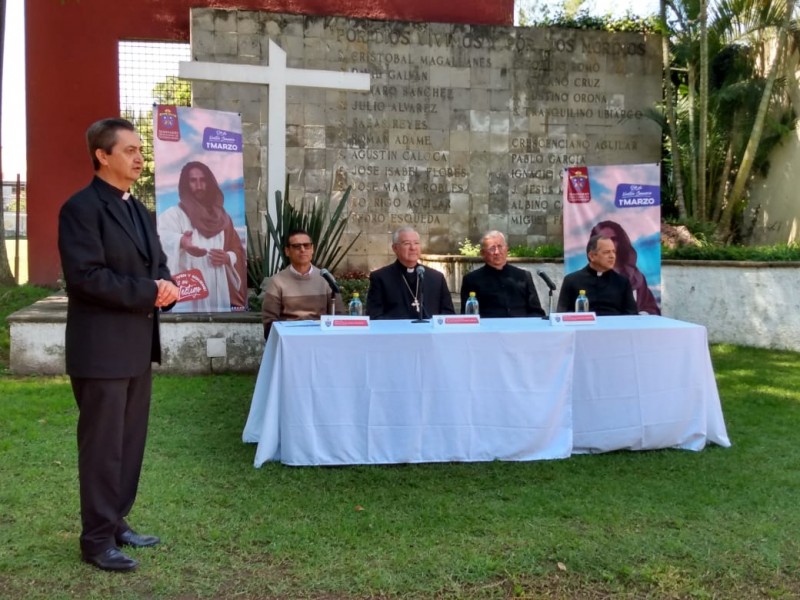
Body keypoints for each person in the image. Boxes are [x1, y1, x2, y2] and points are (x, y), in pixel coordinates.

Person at [58, 118, 180, 572]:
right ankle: (95, 540)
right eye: (129, 149)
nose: (139, 156)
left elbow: (159, 265)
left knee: (129, 443)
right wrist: (149, 290)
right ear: (102, 156)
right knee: (102, 446)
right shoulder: (80, 209)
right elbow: (86, 278)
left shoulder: (140, 209)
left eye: (140, 149)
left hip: (135, 347)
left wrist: (166, 287)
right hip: (100, 350)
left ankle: (115, 523)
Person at [158, 161, 248, 312]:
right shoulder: (173, 215)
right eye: (193, 181)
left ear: (210, 183)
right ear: (185, 185)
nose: (199, 186)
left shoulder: (223, 218)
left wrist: (228, 257)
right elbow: (160, 238)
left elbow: (237, 249)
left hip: (218, 290)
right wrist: (180, 241)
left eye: (203, 180)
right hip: (188, 291)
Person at [261, 229, 344, 339]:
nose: (302, 249)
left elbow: (339, 316)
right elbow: (269, 321)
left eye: (307, 245)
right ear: (287, 251)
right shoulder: (277, 281)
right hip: (289, 339)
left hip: (321, 338)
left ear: (312, 249)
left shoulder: (325, 279)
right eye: (296, 246)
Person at [366, 226, 455, 319]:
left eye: (416, 243)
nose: (413, 248)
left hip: (429, 332)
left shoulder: (436, 278)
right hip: (396, 332)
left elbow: (448, 314)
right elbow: (375, 316)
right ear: (395, 248)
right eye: (407, 243)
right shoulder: (380, 278)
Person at [459, 230, 545, 317]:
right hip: (488, 329)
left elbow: (537, 312)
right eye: (492, 248)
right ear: (483, 253)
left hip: (521, 328)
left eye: (500, 247)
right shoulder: (471, 280)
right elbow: (468, 316)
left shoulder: (523, 276)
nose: (497, 252)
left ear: (506, 249)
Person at [590, 220, 660, 315]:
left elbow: (651, 308)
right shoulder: (585, 278)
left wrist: (642, 316)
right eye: (604, 239)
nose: (609, 243)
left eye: (613, 239)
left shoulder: (636, 278)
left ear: (620, 242)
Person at [557, 234, 637, 316]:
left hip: (613, 327)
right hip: (583, 327)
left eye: (614, 252)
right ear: (592, 256)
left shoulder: (622, 282)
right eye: (606, 252)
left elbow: (632, 315)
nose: (612, 256)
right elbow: (561, 314)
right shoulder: (571, 280)